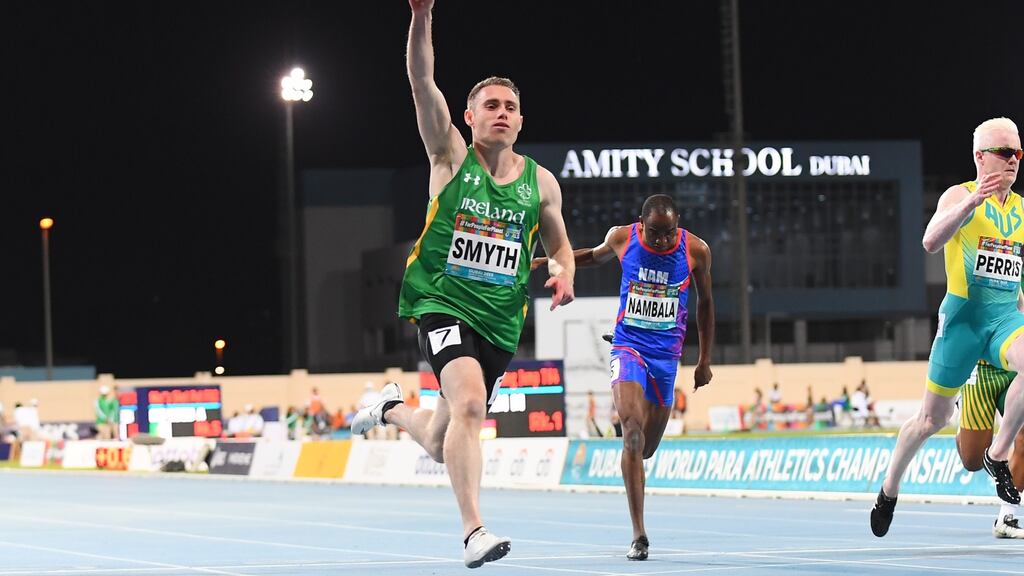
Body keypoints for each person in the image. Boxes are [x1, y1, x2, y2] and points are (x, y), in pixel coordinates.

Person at [351, 0, 575, 568]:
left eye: (511, 107)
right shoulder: (449, 155)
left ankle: (391, 410)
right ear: (470, 118)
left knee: (439, 436)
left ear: (521, 121)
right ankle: (474, 530)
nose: (501, 112)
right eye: (490, 105)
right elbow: (421, 79)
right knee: (472, 404)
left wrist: (566, 269)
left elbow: (558, 245)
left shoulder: (541, 183)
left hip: (500, 320)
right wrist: (421, 14)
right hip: (441, 301)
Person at [532, 193, 714, 560]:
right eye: (654, 233)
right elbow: (592, 257)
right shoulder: (622, 237)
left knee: (645, 448)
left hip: (666, 357)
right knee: (631, 433)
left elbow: (706, 303)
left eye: (668, 233)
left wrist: (704, 359)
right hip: (628, 346)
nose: (661, 241)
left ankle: (637, 480)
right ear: (641, 224)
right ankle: (639, 535)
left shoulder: (696, 250)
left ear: (678, 226)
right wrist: (555, 262)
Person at [872, 117, 1024, 537]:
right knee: (929, 420)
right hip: (963, 320)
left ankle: (999, 452)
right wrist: (970, 205)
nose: (1013, 161)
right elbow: (930, 241)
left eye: (1018, 153)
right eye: (1004, 152)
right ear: (980, 157)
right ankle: (889, 490)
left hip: (1005, 317)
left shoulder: (1023, 211)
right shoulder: (959, 195)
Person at [956, 360, 1024, 538]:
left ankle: (1006, 518)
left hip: (1015, 367)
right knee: (973, 461)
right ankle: (963, 416)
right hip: (979, 371)